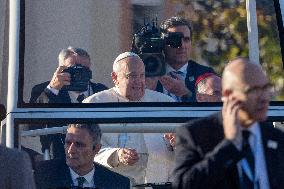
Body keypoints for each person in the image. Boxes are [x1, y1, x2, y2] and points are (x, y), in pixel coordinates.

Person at [172, 57, 284, 189]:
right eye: (254, 90)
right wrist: (230, 145)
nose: (264, 98)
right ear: (229, 94)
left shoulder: (276, 138)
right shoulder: (194, 134)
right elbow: (183, 185)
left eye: (266, 88)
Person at [83, 52, 175, 185]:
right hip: (115, 184)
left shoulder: (165, 103)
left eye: (142, 76)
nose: (138, 81)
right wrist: (116, 155)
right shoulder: (94, 105)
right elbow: (85, 149)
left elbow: (186, 147)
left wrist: (178, 143)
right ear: (115, 77)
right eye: (131, 76)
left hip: (160, 182)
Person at [29, 46, 108, 159]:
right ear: (61, 70)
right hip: (59, 158)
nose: (79, 74)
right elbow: (32, 126)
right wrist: (52, 89)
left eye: (84, 70)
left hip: (97, 157)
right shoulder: (43, 90)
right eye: (74, 69)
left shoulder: (101, 92)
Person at [34, 123, 130, 189]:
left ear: (96, 148)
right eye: (68, 143)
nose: (71, 150)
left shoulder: (117, 183)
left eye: (79, 144)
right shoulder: (42, 175)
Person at [154, 16, 215, 102]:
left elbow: (212, 108)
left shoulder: (206, 75)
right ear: (163, 43)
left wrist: (186, 93)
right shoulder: (150, 73)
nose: (182, 46)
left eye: (186, 39)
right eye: (175, 40)